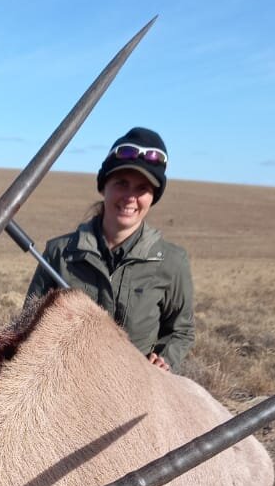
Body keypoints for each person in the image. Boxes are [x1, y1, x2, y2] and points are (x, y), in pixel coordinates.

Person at [26, 127, 195, 372]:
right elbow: (29, 322)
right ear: (104, 186)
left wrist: (165, 358)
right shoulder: (59, 253)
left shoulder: (172, 261)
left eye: (142, 189)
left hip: (135, 388)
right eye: (121, 184)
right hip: (65, 383)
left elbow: (181, 330)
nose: (130, 197)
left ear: (153, 197)